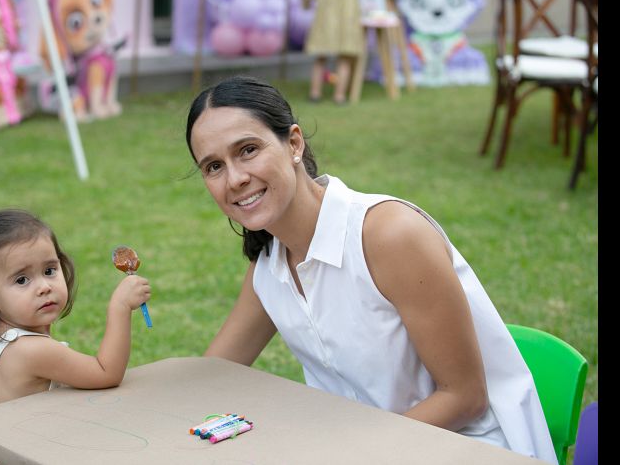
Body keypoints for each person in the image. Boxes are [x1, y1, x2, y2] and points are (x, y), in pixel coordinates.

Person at [184, 75, 557, 464]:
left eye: (247, 150)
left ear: (294, 143)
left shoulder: (390, 235)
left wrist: (349, 454)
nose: (235, 178)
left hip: (469, 449)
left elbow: (464, 398)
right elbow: (212, 377)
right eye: (214, 166)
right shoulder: (270, 268)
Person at [0, 208, 151, 464]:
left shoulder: (2, 333)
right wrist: (120, 306)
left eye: (49, 270)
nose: (44, 287)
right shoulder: (30, 350)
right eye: (22, 280)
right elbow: (106, 374)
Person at [302, 0, 370, 104]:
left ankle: (315, 94)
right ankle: (339, 96)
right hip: (347, 21)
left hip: (326, 20)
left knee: (320, 58)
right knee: (344, 59)